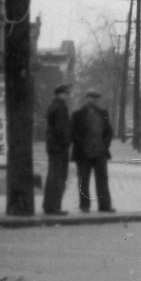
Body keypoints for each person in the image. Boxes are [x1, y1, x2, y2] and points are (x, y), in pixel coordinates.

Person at [70, 88, 115, 213]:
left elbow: (108, 132)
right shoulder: (77, 115)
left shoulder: (103, 113)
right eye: (92, 97)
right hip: (83, 153)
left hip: (100, 152)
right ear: (87, 98)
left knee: (102, 180)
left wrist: (104, 145)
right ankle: (84, 206)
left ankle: (105, 205)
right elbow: (74, 133)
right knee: (83, 181)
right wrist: (83, 145)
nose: (94, 100)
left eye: (96, 98)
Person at [42, 83, 72, 215]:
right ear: (60, 94)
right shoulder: (60, 107)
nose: (68, 96)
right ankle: (54, 207)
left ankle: (49, 205)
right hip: (59, 147)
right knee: (58, 177)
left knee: (53, 176)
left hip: (53, 146)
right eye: (66, 93)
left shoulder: (53, 106)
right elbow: (62, 129)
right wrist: (67, 143)